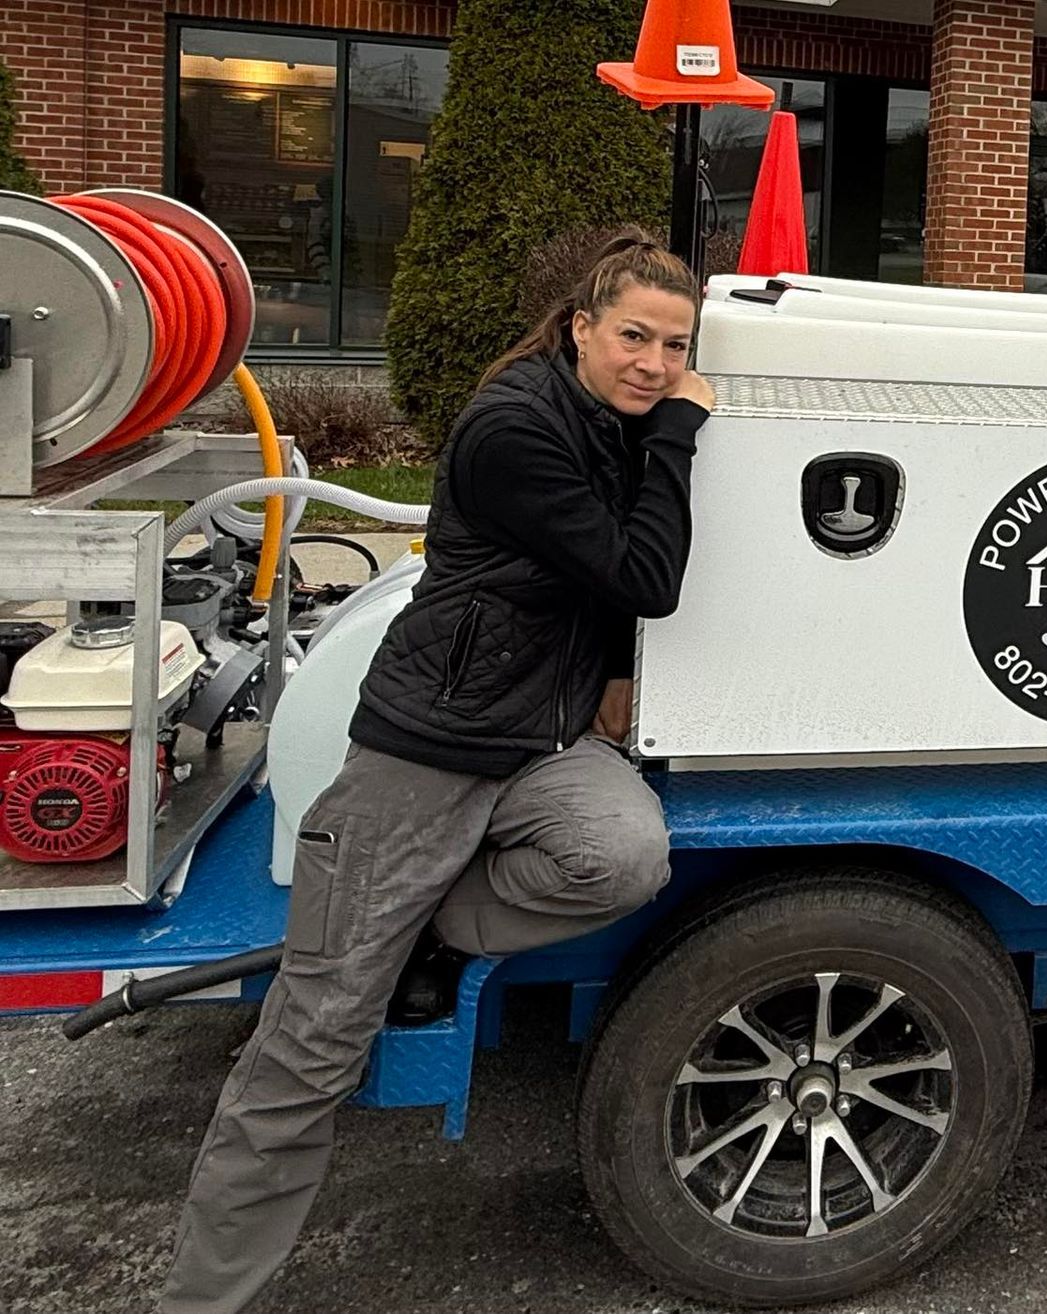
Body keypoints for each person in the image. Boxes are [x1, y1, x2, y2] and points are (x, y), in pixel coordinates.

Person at [159, 229, 715, 1314]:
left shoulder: (606, 421)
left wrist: (603, 676)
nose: (654, 362)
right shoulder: (519, 426)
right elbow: (643, 573)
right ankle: (200, 1301)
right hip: (433, 746)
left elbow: (594, 589)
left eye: (676, 345)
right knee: (316, 1041)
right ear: (580, 329)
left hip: (538, 742)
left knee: (623, 855)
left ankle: (427, 922)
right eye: (635, 337)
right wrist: (687, 430)